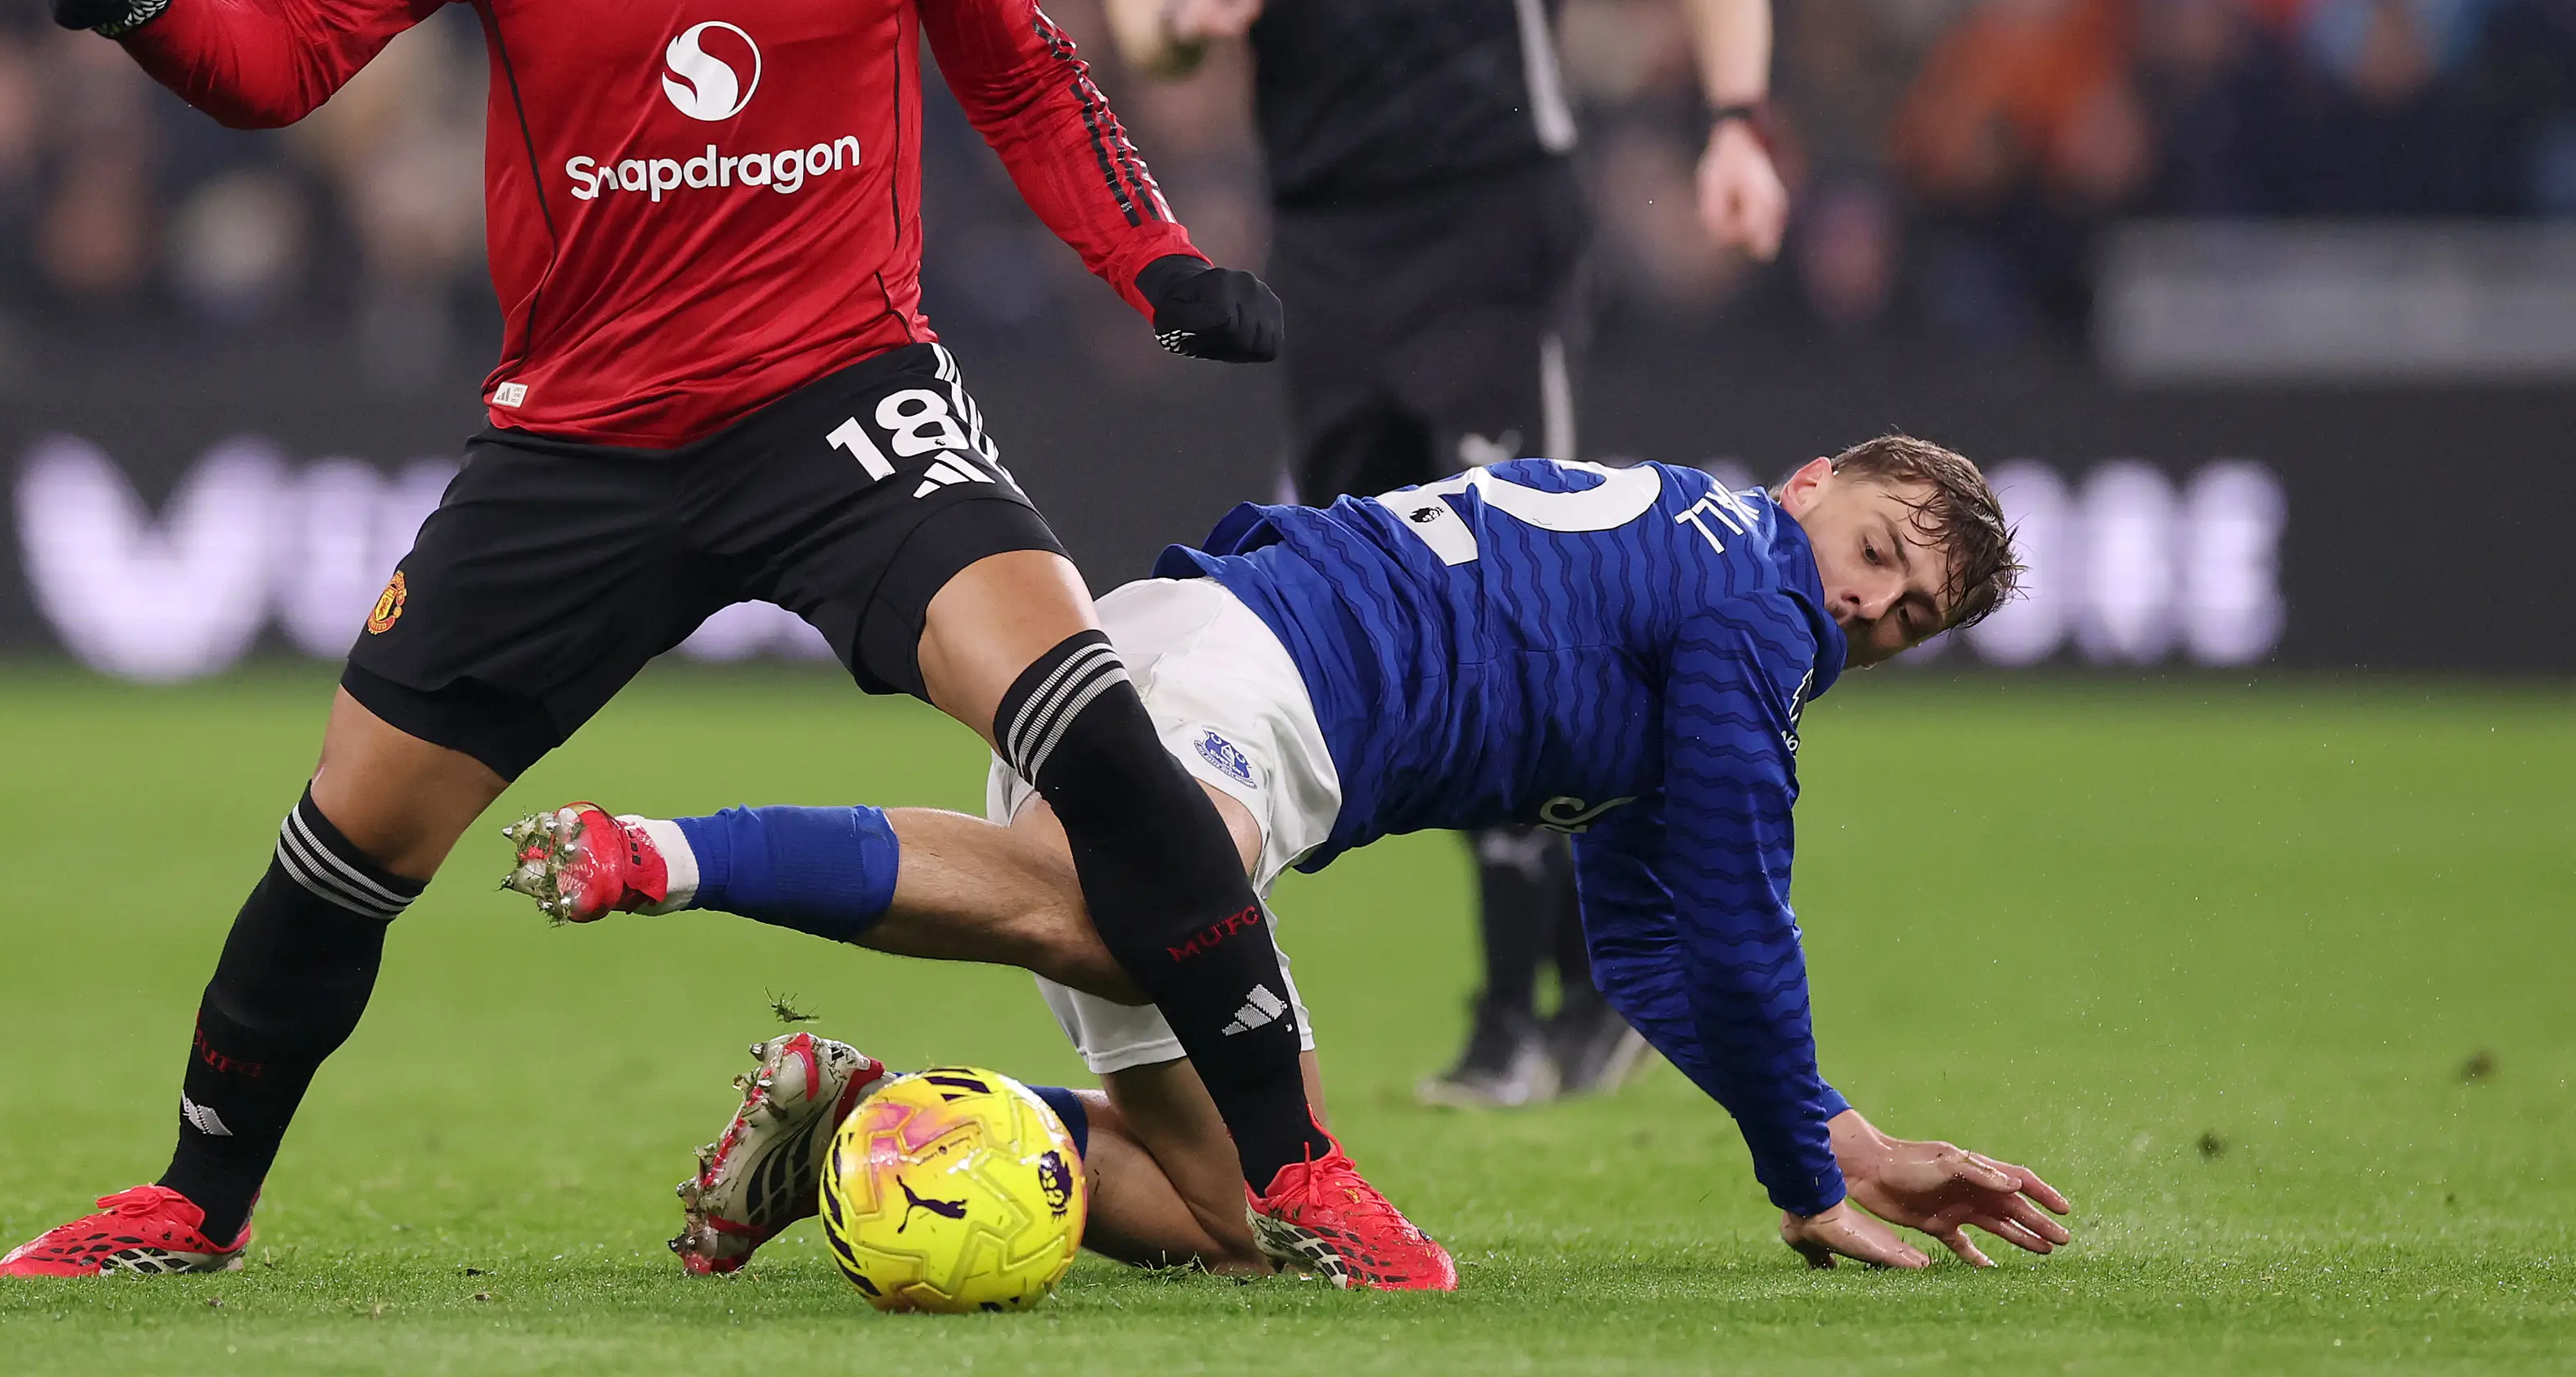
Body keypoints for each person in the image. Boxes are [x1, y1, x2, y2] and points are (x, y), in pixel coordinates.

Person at [0, 0, 1436, 1287]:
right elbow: (284, 57)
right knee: (349, 844)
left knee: (1092, 727)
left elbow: (1019, 66)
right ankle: (187, 1203)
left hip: (842, 393)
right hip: (583, 440)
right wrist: (150, 11)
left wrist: (1152, 263)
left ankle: (1304, 1174)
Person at [504, 437, 2067, 1284]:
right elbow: (1739, 928)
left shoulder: (1695, 581)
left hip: (1202, 666)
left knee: (1230, 1219)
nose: (1867, 610)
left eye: (1909, 619)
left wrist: (1846, 1141)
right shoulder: (1753, 605)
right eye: (1877, 556)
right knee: (1103, 911)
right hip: (1240, 687)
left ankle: (864, 1116)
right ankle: (666, 853)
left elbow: (1653, 951)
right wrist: (1803, 1183)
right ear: (1812, 486)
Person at [1098, 0, 1794, 1110]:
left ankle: (1556, 995)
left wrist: (1738, 112)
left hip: (1493, 227)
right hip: (1323, 251)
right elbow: (1128, 4)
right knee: (1370, 615)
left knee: (1514, 594)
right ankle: (1524, 1002)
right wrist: (1191, 9)